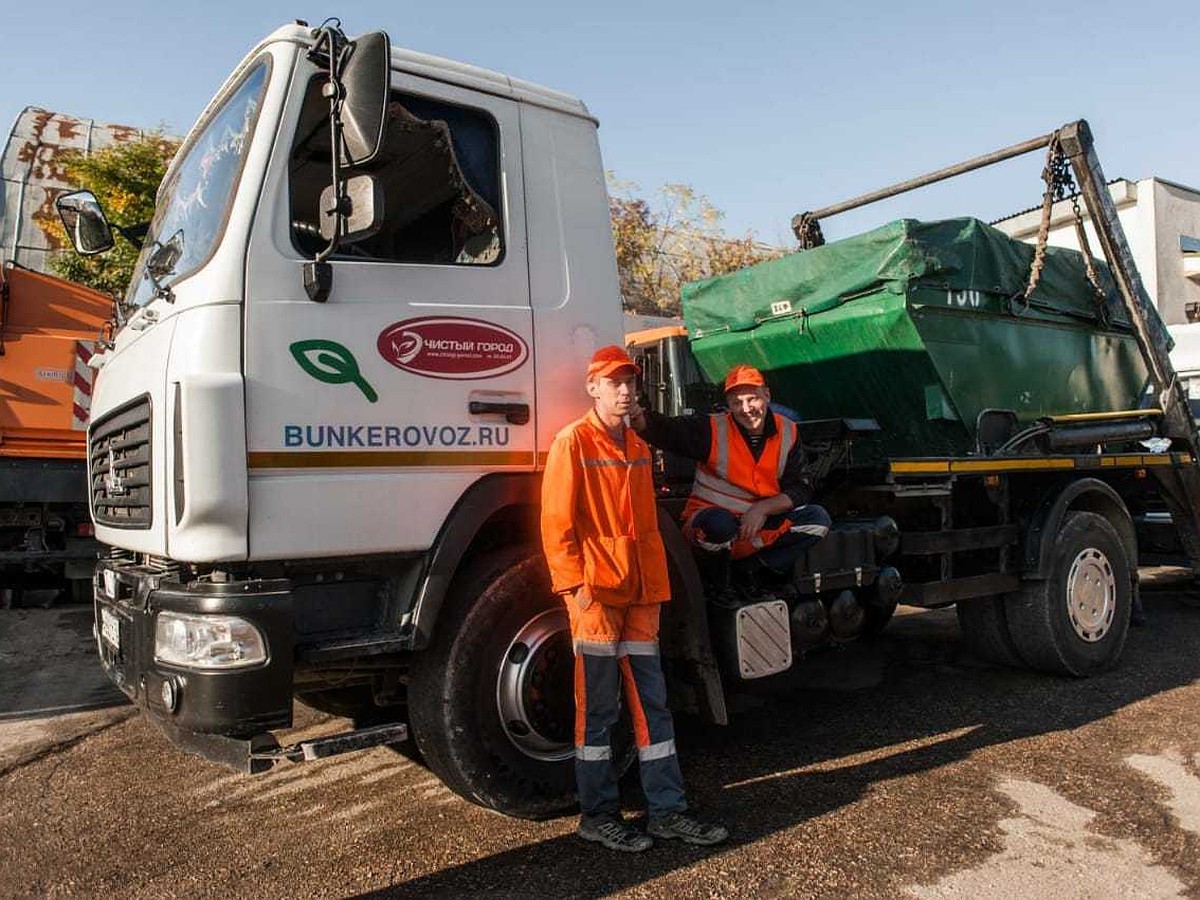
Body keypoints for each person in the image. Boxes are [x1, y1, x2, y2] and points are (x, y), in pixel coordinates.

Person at [541, 345, 729, 853]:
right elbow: (556, 526)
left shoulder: (641, 448)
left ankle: (668, 812)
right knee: (598, 710)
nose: (625, 391)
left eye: (630, 383)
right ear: (593, 387)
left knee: (653, 708)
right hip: (597, 596)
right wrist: (575, 589)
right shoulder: (572, 443)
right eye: (614, 382)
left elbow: (644, 527)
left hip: (642, 594)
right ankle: (598, 815)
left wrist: (656, 586)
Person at [630, 363, 831, 598]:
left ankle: (752, 574)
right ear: (729, 405)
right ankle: (718, 587)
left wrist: (762, 509)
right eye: (737, 403)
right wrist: (640, 419)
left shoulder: (789, 431)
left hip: (756, 525)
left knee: (817, 519)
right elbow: (670, 432)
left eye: (752, 399)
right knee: (717, 526)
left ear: (766, 395)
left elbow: (801, 487)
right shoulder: (713, 429)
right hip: (713, 523)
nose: (746, 409)